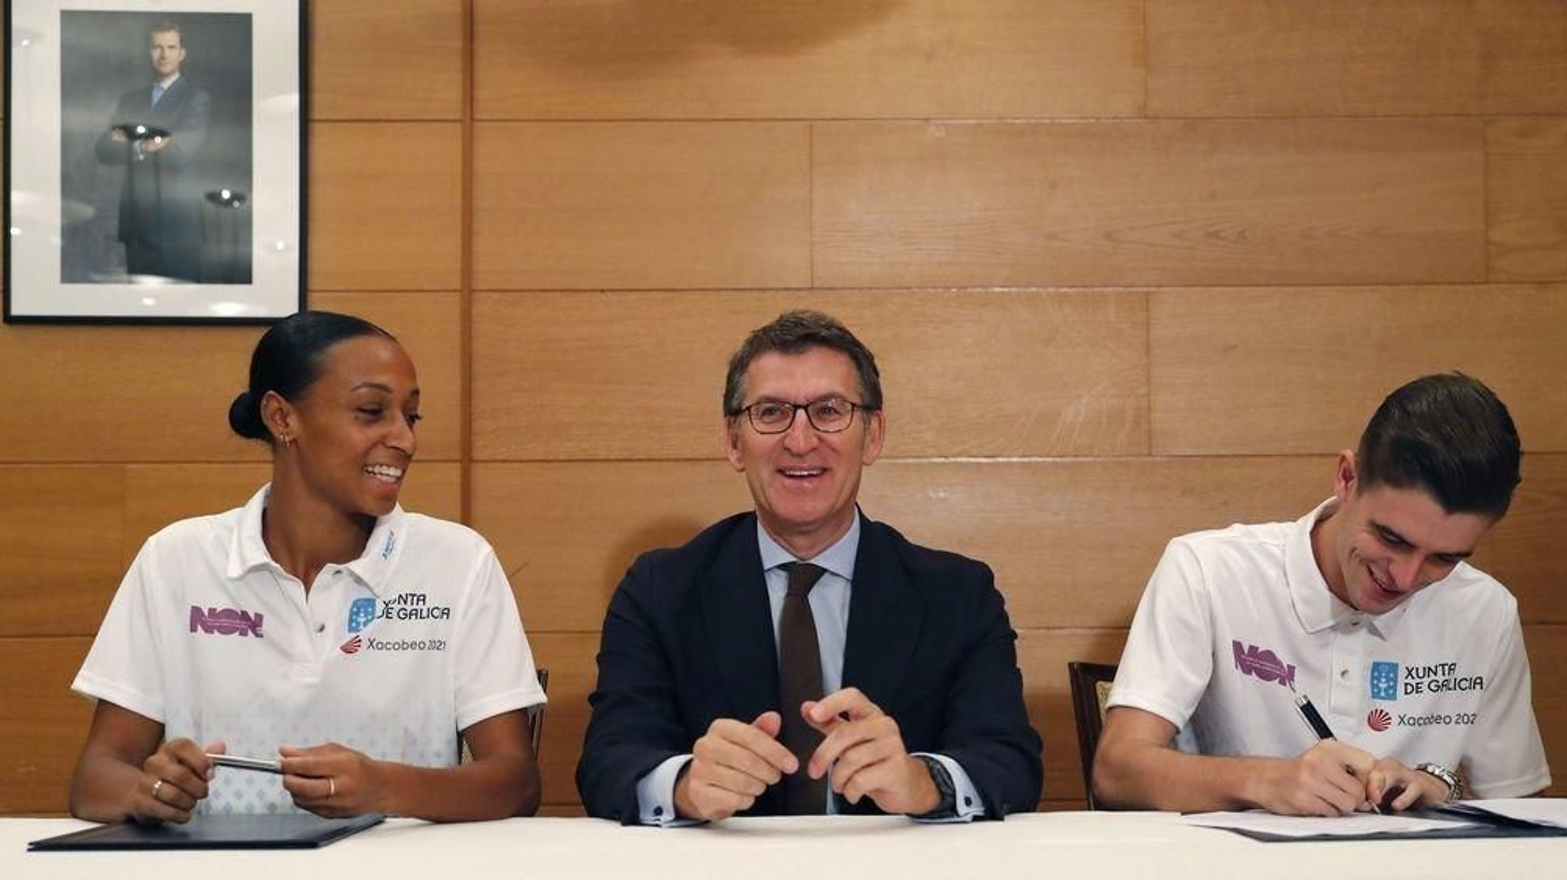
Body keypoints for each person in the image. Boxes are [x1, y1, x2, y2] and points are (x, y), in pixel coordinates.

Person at [68, 311, 546, 824]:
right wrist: (152, 790)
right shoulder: (176, 559)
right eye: (370, 411)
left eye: (411, 417)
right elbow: (95, 780)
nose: (405, 440)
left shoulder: (459, 562)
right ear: (282, 418)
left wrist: (386, 787)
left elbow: (515, 783)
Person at [577, 310, 1042, 825]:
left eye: (829, 410)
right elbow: (608, 763)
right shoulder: (659, 590)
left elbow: (1010, 762)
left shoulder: (958, 594)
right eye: (772, 412)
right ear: (734, 441)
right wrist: (685, 784)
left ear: (872, 435)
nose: (800, 440)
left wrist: (922, 779)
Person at [1094, 373, 1550, 816]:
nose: (1407, 578)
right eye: (1392, 538)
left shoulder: (1486, 610)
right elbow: (1116, 770)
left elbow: (1518, 811)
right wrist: (1268, 782)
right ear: (1347, 478)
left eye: (1444, 559)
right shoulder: (1208, 570)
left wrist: (1439, 785)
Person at [93, 19, 211, 281]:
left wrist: (130, 141)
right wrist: (156, 142)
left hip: (177, 227)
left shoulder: (195, 98)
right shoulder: (130, 99)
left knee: (179, 309)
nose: (163, 54)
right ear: (149, 52)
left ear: (182, 53)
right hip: (136, 223)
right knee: (139, 310)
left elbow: (179, 154)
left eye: (171, 47)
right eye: (157, 47)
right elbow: (103, 150)